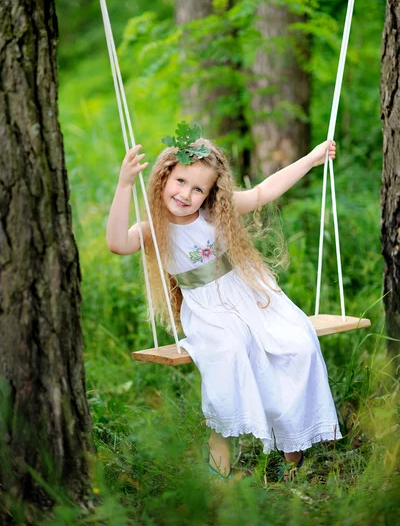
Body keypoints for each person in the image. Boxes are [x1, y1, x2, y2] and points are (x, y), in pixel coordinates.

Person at [106, 130, 342, 481]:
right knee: (229, 353)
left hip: (250, 294)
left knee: (297, 345)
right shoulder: (153, 230)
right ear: (164, 176)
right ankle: (221, 466)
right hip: (208, 313)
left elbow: (263, 192)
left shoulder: (216, 213)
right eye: (180, 181)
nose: (186, 194)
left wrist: (311, 158)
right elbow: (116, 243)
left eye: (197, 189)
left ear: (210, 193)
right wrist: (125, 184)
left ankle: (291, 459)